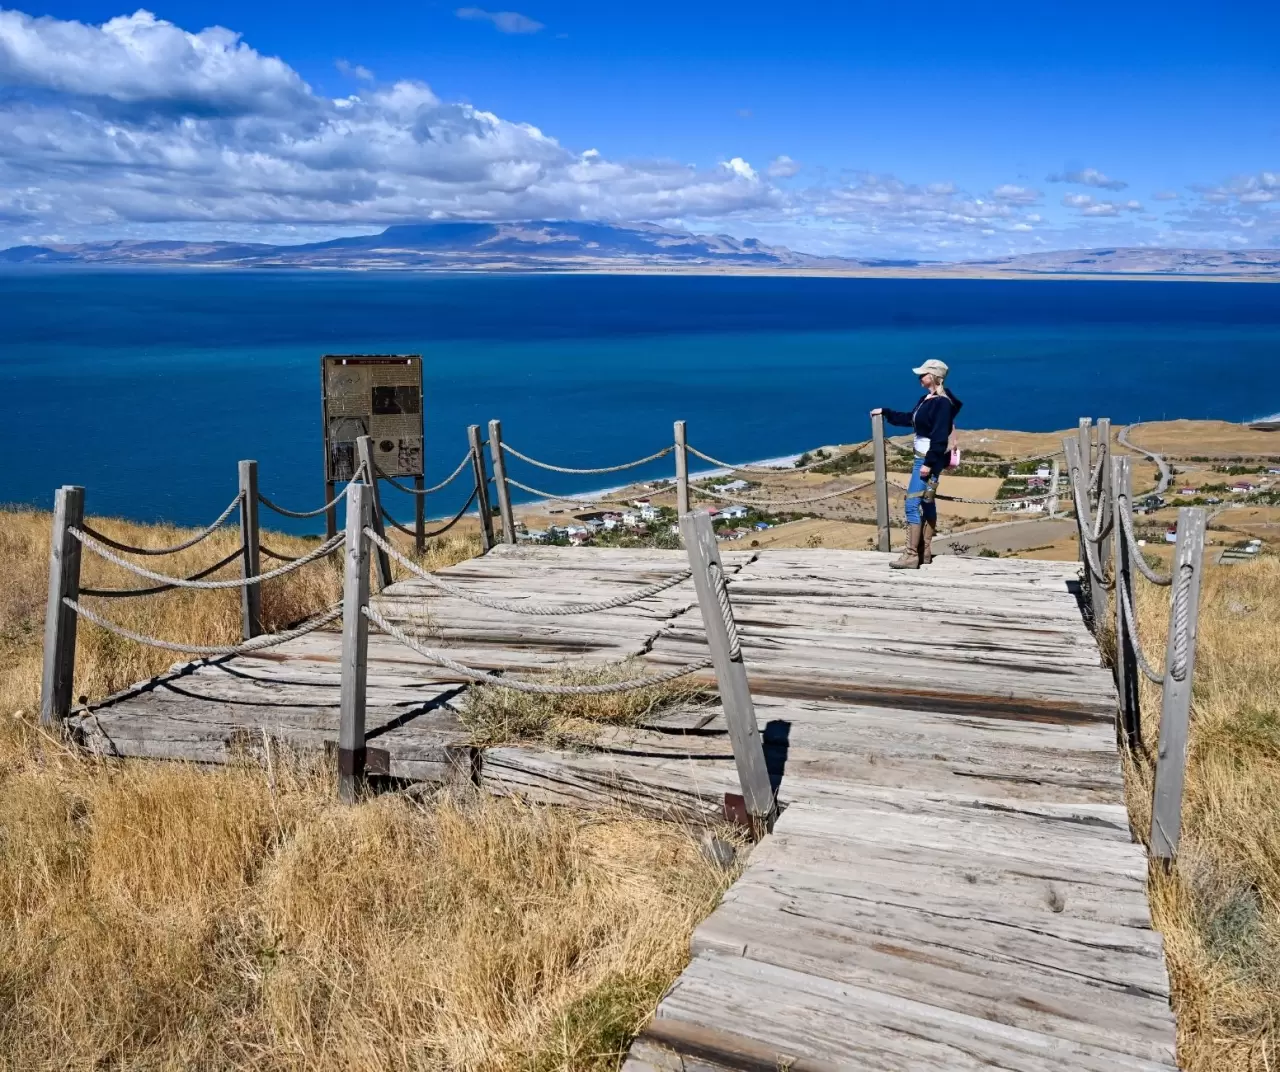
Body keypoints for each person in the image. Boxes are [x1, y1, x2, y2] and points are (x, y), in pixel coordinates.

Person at [871, 359, 962, 569]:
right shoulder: (927, 399)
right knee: (927, 501)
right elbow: (911, 419)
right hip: (928, 458)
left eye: (923, 374)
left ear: (934, 377)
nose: (919, 378)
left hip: (926, 459)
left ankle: (912, 555)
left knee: (912, 504)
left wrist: (928, 464)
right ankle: (925, 552)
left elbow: (939, 437)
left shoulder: (940, 403)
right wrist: (886, 412)